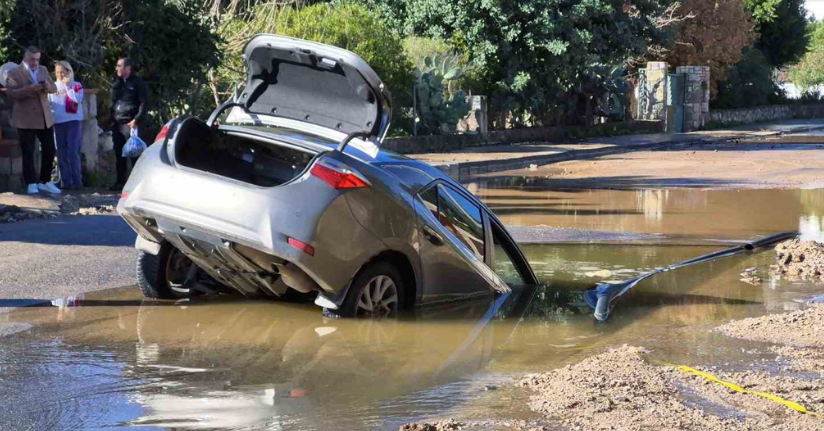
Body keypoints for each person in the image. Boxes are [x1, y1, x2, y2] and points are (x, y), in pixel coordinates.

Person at [6, 46, 60, 195]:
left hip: (44, 117)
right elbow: (11, 93)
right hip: (25, 118)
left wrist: (47, 86)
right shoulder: (14, 72)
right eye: (32, 59)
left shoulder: (43, 69)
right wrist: (30, 89)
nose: (35, 62)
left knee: (50, 149)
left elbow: (54, 88)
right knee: (28, 151)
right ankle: (31, 183)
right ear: (25, 58)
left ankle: (45, 181)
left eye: (37, 59)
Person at [109, 57, 149, 192]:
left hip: (131, 123)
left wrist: (136, 120)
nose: (117, 69)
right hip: (117, 123)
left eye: (120, 66)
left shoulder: (138, 84)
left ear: (128, 68)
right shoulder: (117, 84)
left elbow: (144, 103)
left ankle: (137, 184)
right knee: (119, 153)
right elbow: (114, 102)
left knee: (134, 154)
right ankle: (120, 182)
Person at [48, 61, 84, 191]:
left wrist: (68, 87)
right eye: (57, 72)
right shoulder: (53, 86)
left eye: (62, 72)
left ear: (68, 72)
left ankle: (77, 182)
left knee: (73, 152)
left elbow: (77, 99)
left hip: (73, 121)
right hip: (59, 122)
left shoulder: (77, 85)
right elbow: (49, 103)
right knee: (61, 152)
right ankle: (66, 182)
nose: (59, 75)